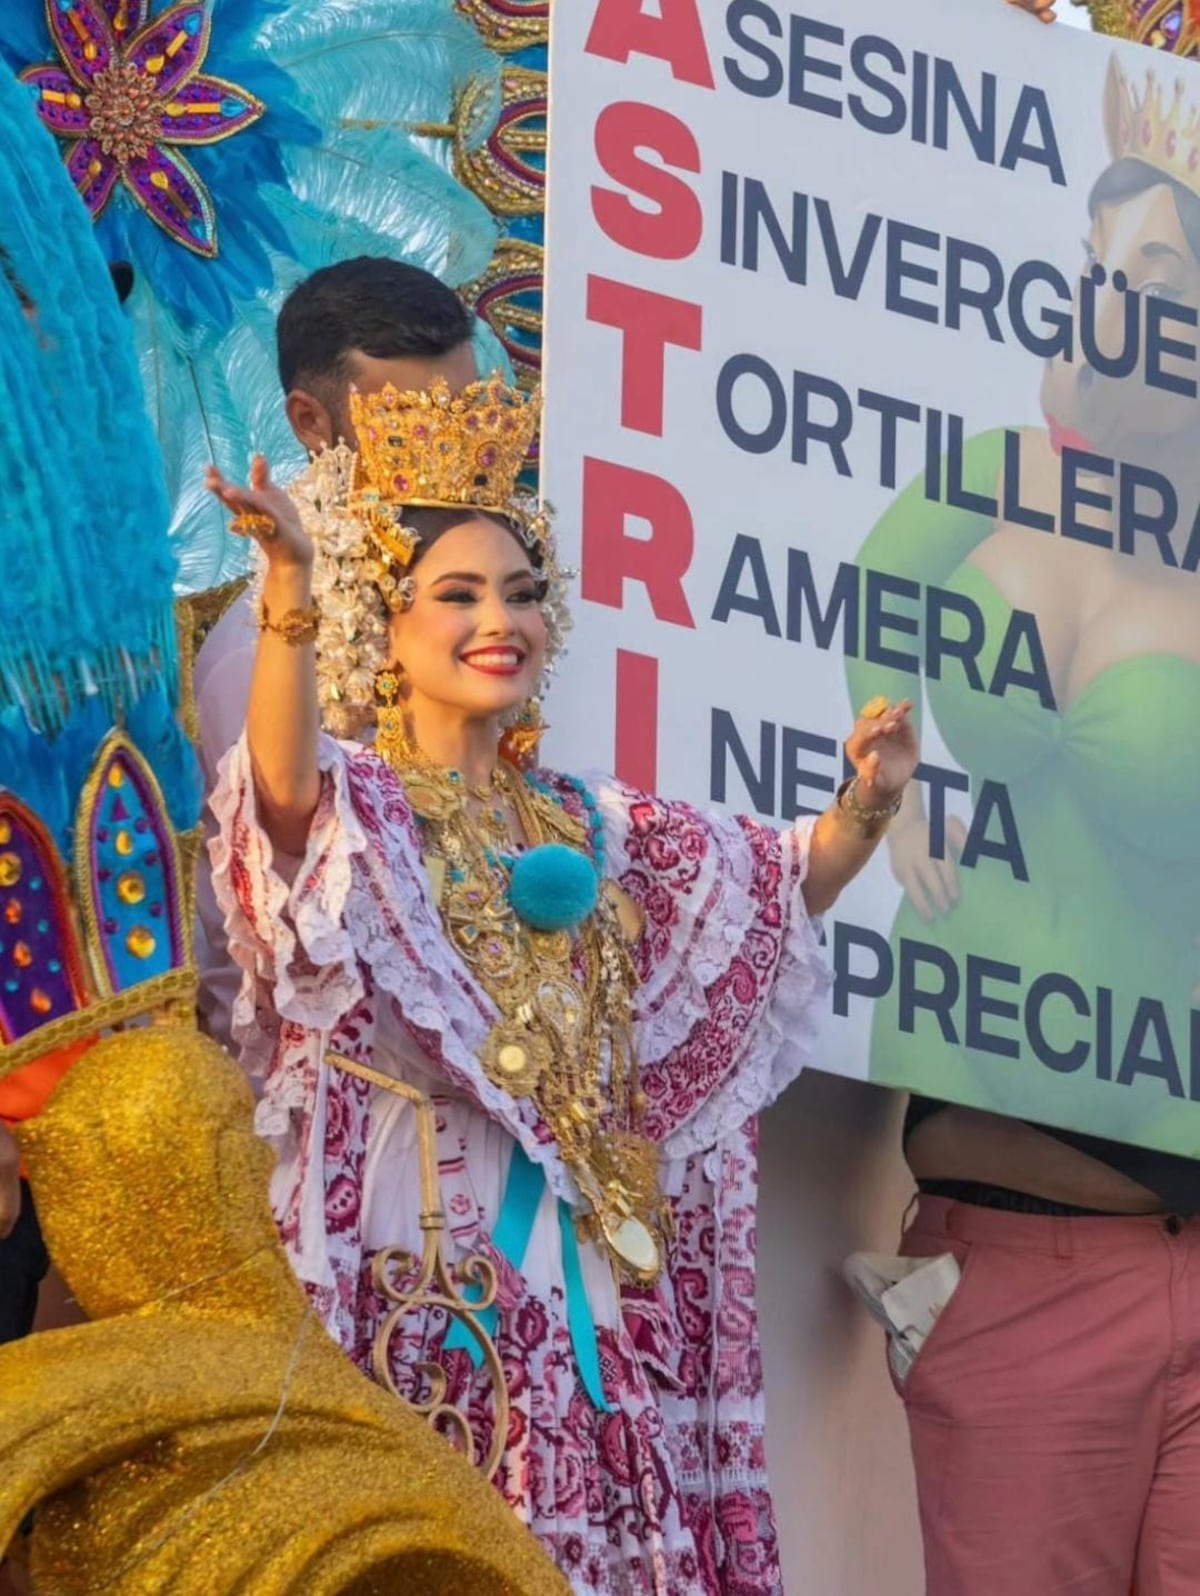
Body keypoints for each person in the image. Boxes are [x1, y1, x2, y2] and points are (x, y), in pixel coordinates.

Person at [204, 373, 919, 1592]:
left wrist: (870, 798)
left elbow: (774, 882)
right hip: (408, 1237)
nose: (503, 620)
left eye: (526, 595)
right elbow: (277, 794)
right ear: (389, 617)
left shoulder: (589, 827)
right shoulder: (362, 806)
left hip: (569, 1272)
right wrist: (287, 596)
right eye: (464, 593)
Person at [846, 19, 1200, 1594]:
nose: (1135, 307)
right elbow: (857, 588)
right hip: (1019, 1238)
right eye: (1112, 271)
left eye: (1169, 281)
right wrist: (885, 784)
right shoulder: (985, 475)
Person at [194, 257, 480, 1047]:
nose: (449, 453)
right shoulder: (258, 651)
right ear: (311, 423)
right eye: (414, 425)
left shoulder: (519, 599)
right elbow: (266, 918)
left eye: (467, 414)